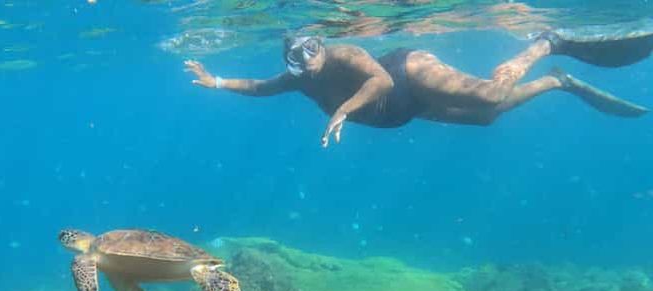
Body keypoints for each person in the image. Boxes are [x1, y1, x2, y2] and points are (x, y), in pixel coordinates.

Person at [185, 25, 652, 148]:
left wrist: (343, 111)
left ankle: (546, 46)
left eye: (311, 48)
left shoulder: (346, 54)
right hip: (407, 109)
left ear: (322, 43)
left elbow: (382, 78)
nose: (305, 59)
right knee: (489, 116)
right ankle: (559, 82)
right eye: (295, 55)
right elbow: (258, 86)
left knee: (490, 94)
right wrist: (216, 80)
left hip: (409, 72)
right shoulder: (297, 81)